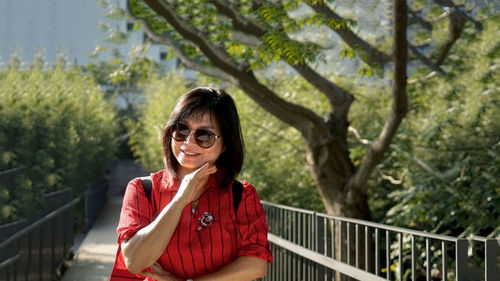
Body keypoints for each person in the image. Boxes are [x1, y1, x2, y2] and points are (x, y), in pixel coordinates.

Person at [116, 87, 273, 281]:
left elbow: (256, 264)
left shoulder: (241, 195)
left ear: (225, 144)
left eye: (204, 135)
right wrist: (180, 199)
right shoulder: (142, 190)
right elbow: (134, 262)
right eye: (181, 130)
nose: (189, 141)